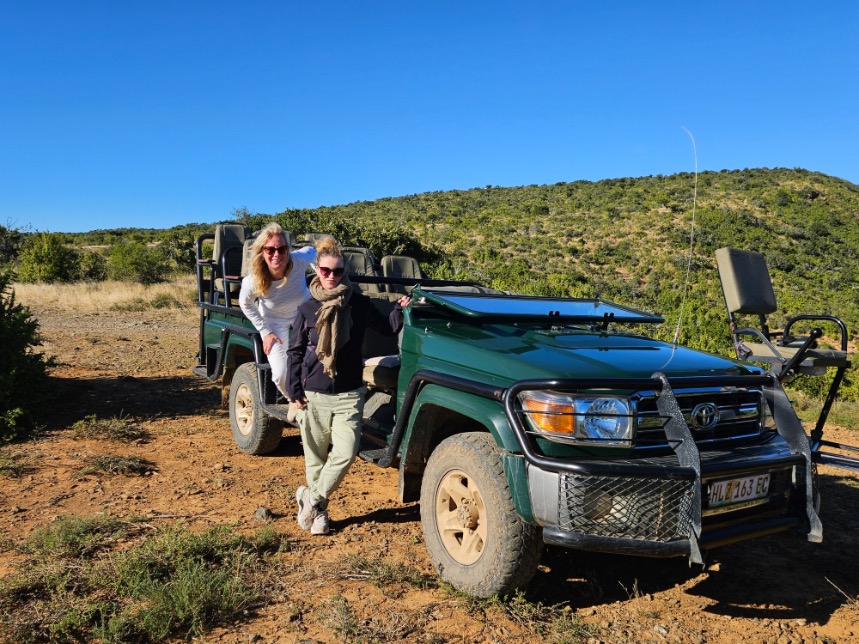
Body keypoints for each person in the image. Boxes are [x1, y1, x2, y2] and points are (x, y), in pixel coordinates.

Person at [287, 237, 410, 535]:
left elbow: (387, 328)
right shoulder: (306, 309)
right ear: (317, 269)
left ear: (345, 271)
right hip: (314, 394)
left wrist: (401, 308)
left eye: (338, 272)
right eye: (326, 271)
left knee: (344, 452)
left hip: (349, 394)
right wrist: (294, 391)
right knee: (315, 460)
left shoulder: (358, 303)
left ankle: (310, 498)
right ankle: (320, 516)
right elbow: (296, 352)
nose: (331, 277)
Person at [238, 223, 316, 401]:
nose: (276, 254)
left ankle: (319, 402)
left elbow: (313, 251)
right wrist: (265, 332)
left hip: (304, 315)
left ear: (288, 250)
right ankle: (295, 402)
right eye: (270, 249)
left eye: (282, 249)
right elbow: (246, 304)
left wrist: (320, 273)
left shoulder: (298, 260)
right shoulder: (253, 280)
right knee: (280, 374)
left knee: (316, 362)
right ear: (262, 252)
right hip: (274, 321)